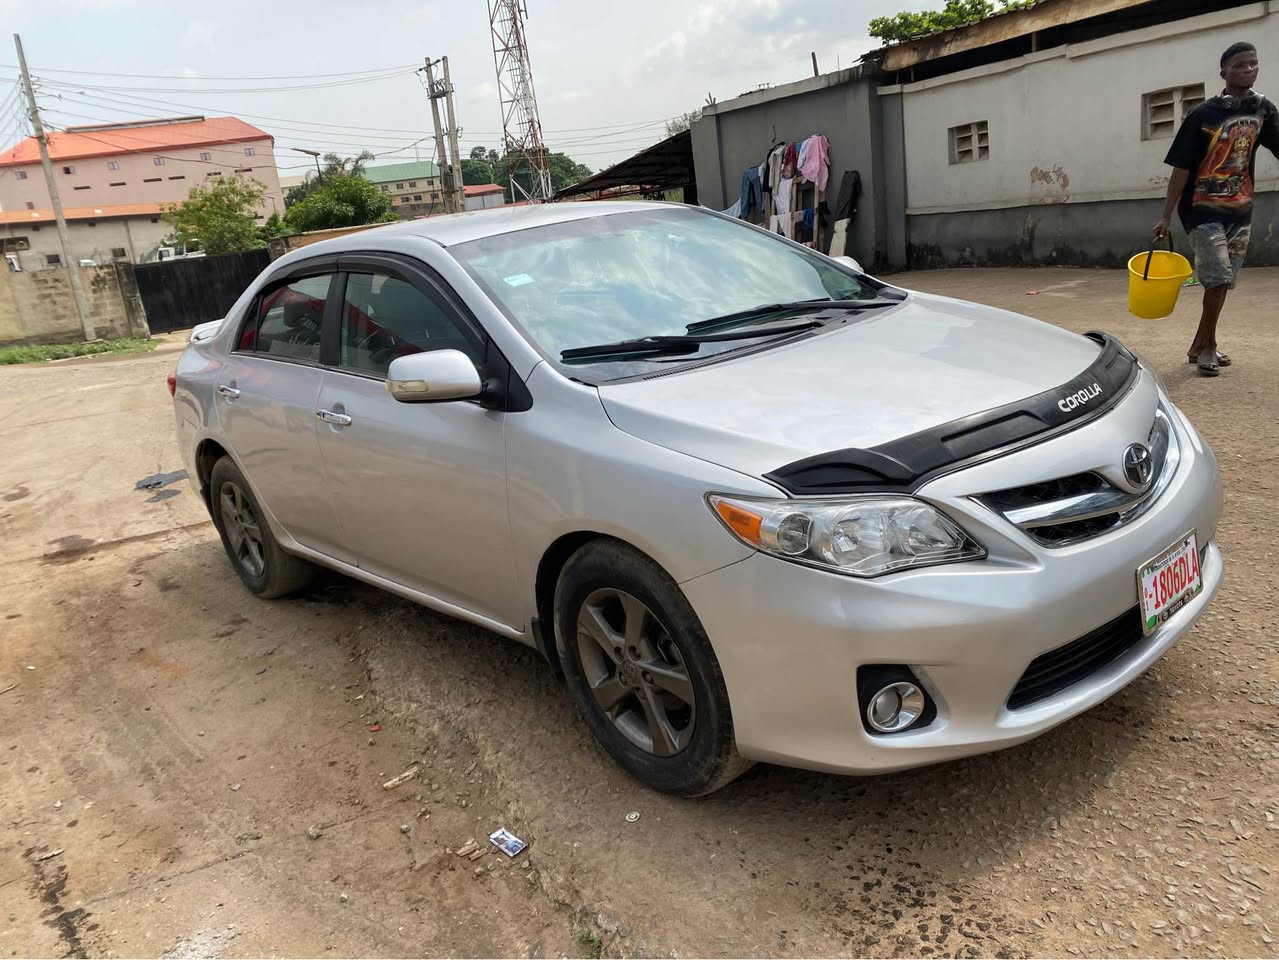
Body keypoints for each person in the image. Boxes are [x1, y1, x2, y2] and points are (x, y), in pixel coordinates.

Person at [1154, 41, 1279, 377]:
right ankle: (1208, 347)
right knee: (1216, 276)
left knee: (1223, 282)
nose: (1248, 70)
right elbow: (1180, 167)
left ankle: (1199, 344)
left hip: (1240, 208)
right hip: (1200, 208)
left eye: (1253, 64)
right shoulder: (1202, 115)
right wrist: (1166, 214)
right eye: (1240, 65)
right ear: (1223, 72)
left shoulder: (1263, 110)